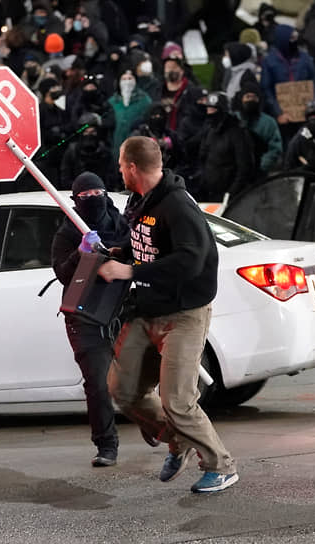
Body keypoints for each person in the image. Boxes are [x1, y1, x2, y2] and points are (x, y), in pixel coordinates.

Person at [98, 136, 238, 494]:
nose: (117, 168)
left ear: (131, 167)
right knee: (122, 389)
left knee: (176, 399)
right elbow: (146, 240)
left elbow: (191, 260)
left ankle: (220, 466)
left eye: (119, 163)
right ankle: (177, 439)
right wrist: (122, 251)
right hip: (146, 310)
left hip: (184, 314)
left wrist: (129, 272)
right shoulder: (139, 200)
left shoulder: (178, 205)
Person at [51, 172, 128, 467]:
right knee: (97, 382)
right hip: (84, 316)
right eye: (85, 197)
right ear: (75, 201)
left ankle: (155, 423)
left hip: (119, 309)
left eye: (98, 194)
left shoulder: (122, 224)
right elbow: (62, 273)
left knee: (134, 381)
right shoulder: (67, 233)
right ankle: (106, 444)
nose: (94, 201)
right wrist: (80, 253)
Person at [197, 92, 255, 201]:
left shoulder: (237, 133)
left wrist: (231, 193)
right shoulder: (209, 130)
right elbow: (203, 158)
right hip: (209, 193)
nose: (209, 113)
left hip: (229, 196)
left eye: (213, 109)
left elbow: (244, 167)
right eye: (208, 109)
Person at [236, 81, 283, 179]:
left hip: (259, 174)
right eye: (248, 97)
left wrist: (261, 166)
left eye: (254, 97)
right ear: (241, 99)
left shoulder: (269, 122)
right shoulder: (233, 119)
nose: (251, 100)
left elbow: (275, 148)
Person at [108, 70, 151, 159]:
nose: (127, 82)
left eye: (130, 78)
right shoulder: (112, 102)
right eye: (124, 79)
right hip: (116, 146)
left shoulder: (145, 100)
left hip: (137, 147)